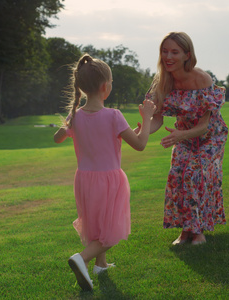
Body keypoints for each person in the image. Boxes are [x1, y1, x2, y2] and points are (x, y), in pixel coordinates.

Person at [54, 54, 156, 291]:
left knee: (96, 224)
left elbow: (58, 137)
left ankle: (101, 265)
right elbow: (140, 144)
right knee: (111, 230)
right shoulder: (113, 115)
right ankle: (82, 257)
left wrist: (67, 125)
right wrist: (147, 118)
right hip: (109, 180)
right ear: (105, 87)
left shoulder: (76, 116)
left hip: (84, 180)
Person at [143, 32, 228, 245]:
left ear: (187, 55)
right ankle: (184, 232)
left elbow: (204, 126)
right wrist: (140, 131)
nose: (168, 57)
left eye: (174, 52)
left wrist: (181, 135)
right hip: (183, 135)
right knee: (177, 175)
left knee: (194, 175)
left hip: (210, 137)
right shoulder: (162, 82)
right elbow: (157, 120)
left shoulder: (202, 79)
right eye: (164, 51)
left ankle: (198, 233)